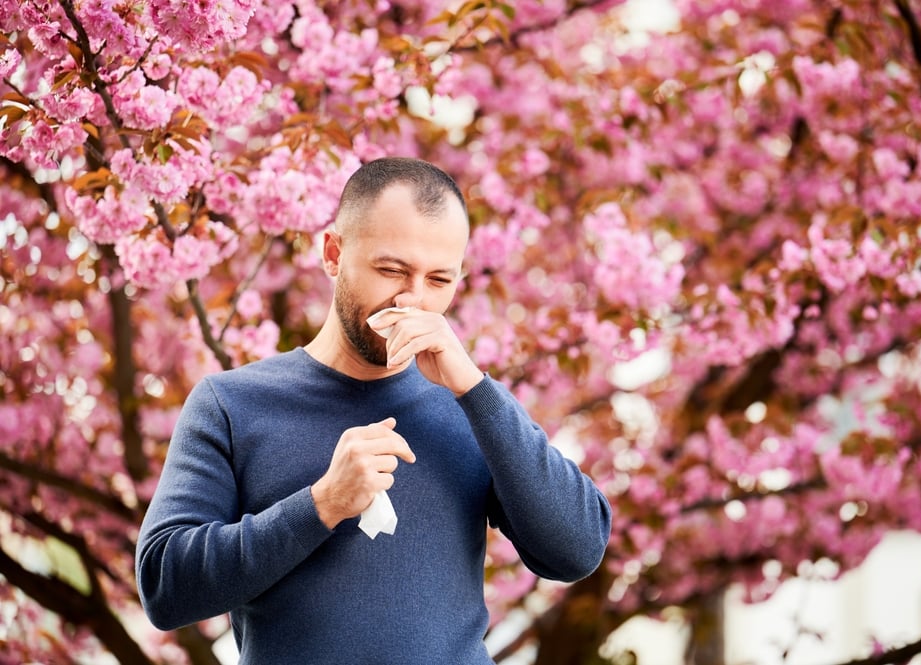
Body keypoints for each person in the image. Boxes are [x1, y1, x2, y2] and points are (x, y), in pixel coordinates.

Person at [135, 156, 612, 664]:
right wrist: (322, 504)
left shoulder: (470, 406)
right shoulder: (230, 405)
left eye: (439, 280)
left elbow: (576, 550)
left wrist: (474, 388)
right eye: (392, 271)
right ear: (334, 253)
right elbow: (165, 588)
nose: (414, 301)